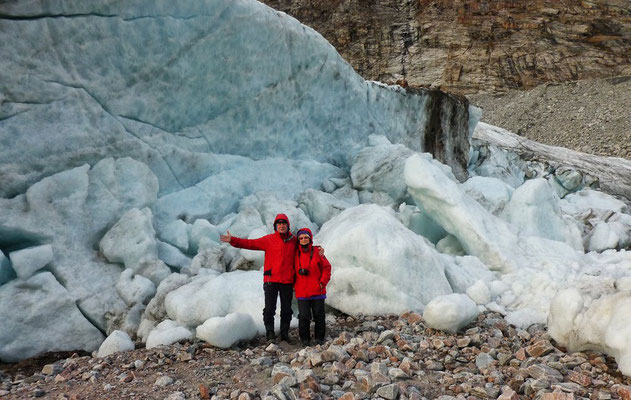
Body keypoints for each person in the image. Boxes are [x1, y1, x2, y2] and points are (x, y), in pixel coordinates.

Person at [219, 214, 297, 342]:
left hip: (287, 280)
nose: (282, 226)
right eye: (279, 224)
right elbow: (250, 244)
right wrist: (232, 240)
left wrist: (319, 251)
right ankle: (270, 333)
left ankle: (284, 334)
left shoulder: (294, 241)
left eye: (284, 224)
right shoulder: (269, 240)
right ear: (275, 226)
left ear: (288, 226)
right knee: (269, 308)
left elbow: (306, 248)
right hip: (271, 280)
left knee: (287, 310)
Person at [293, 227, 331, 346]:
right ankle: (305, 339)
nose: (304, 240)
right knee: (304, 316)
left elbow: (327, 267)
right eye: (301, 238)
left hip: (317, 290)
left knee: (319, 315)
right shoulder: (294, 254)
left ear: (310, 238)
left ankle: (319, 338)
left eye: (306, 237)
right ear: (298, 240)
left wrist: (322, 282)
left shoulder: (317, 252)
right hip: (302, 291)